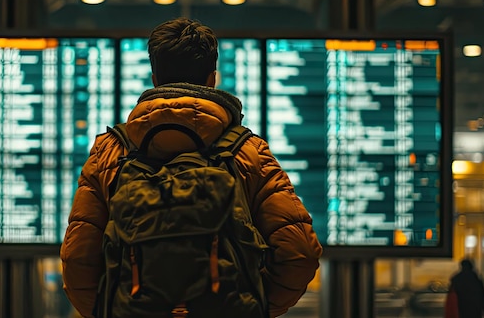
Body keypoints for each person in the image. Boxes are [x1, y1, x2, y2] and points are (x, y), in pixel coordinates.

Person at [60, 17, 323, 318]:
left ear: (155, 79)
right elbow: (299, 254)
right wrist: (253, 306)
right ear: (212, 78)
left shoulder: (111, 151)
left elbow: (77, 261)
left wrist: (111, 310)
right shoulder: (248, 152)